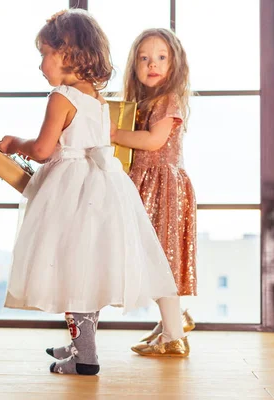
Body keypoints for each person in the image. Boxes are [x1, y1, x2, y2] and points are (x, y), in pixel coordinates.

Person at [0, 10, 183, 375]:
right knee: (87, 268)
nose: (40, 65)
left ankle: (85, 357)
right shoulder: (97, 101)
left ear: (66, 55)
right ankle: (81, 341)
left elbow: (44, 150)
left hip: (71, 190)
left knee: (70, 266)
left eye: (44, 54)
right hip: (104, 189)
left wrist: (15, 143)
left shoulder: (61, 97)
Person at [111, 28, 197, 356]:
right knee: (155, 256)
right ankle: (172, 323)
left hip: (163, 188)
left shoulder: (167, 100)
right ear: (134, 65)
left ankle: (174, 334)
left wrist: (116, 133)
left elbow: (153, 142)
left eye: (161, 57)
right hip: (148, 185)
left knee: (158, 258)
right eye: (144, 58)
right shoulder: (144, 102)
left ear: (175, 64)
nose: (152, 64)